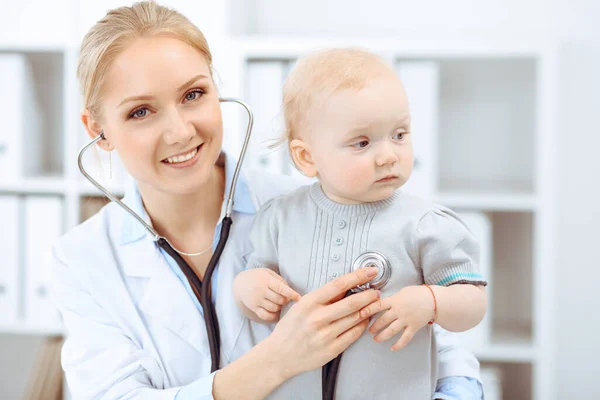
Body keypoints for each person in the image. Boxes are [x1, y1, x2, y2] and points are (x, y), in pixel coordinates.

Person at [46, 1, 484, 399]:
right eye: (140, 112)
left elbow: (432, 339)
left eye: (193, 94)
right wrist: (278, 360)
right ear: (96, 130)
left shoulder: (317, 203)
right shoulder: (83, 260)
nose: (180, 131)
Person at [234, 48, 488, 399]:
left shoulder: (425, 225)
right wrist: (248, 287)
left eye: (399, 134)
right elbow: (257, 302)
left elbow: (473, 303)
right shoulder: (280, 218)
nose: (388, 155)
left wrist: (431, 301)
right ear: (307, 157)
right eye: (362, 142)